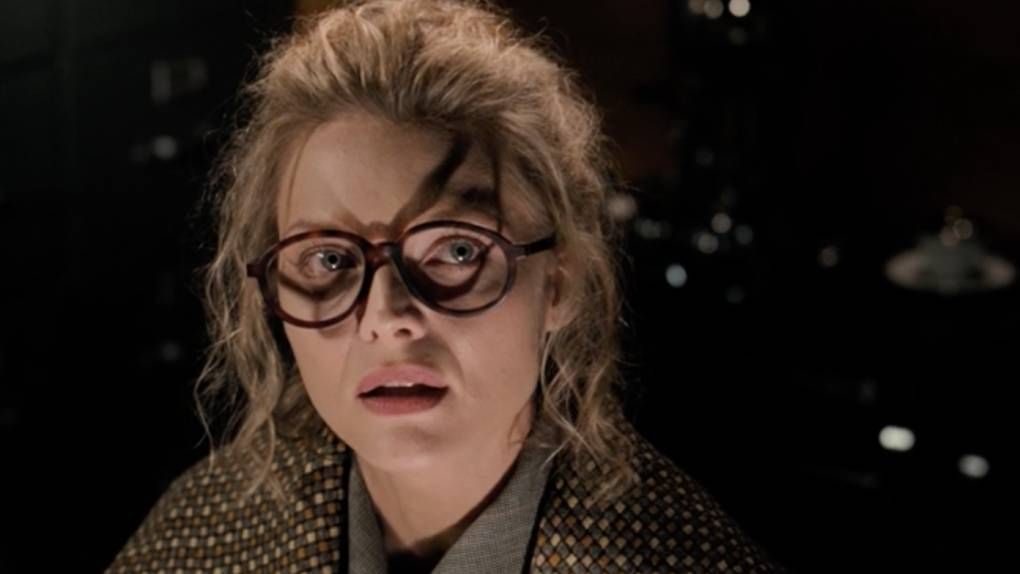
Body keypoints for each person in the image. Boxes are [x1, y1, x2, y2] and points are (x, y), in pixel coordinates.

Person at [108, 0, 784, 572]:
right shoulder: (197, 536)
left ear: (560, 283)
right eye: (329, 260)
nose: (386, 316)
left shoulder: (685, 558)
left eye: (456, 250)